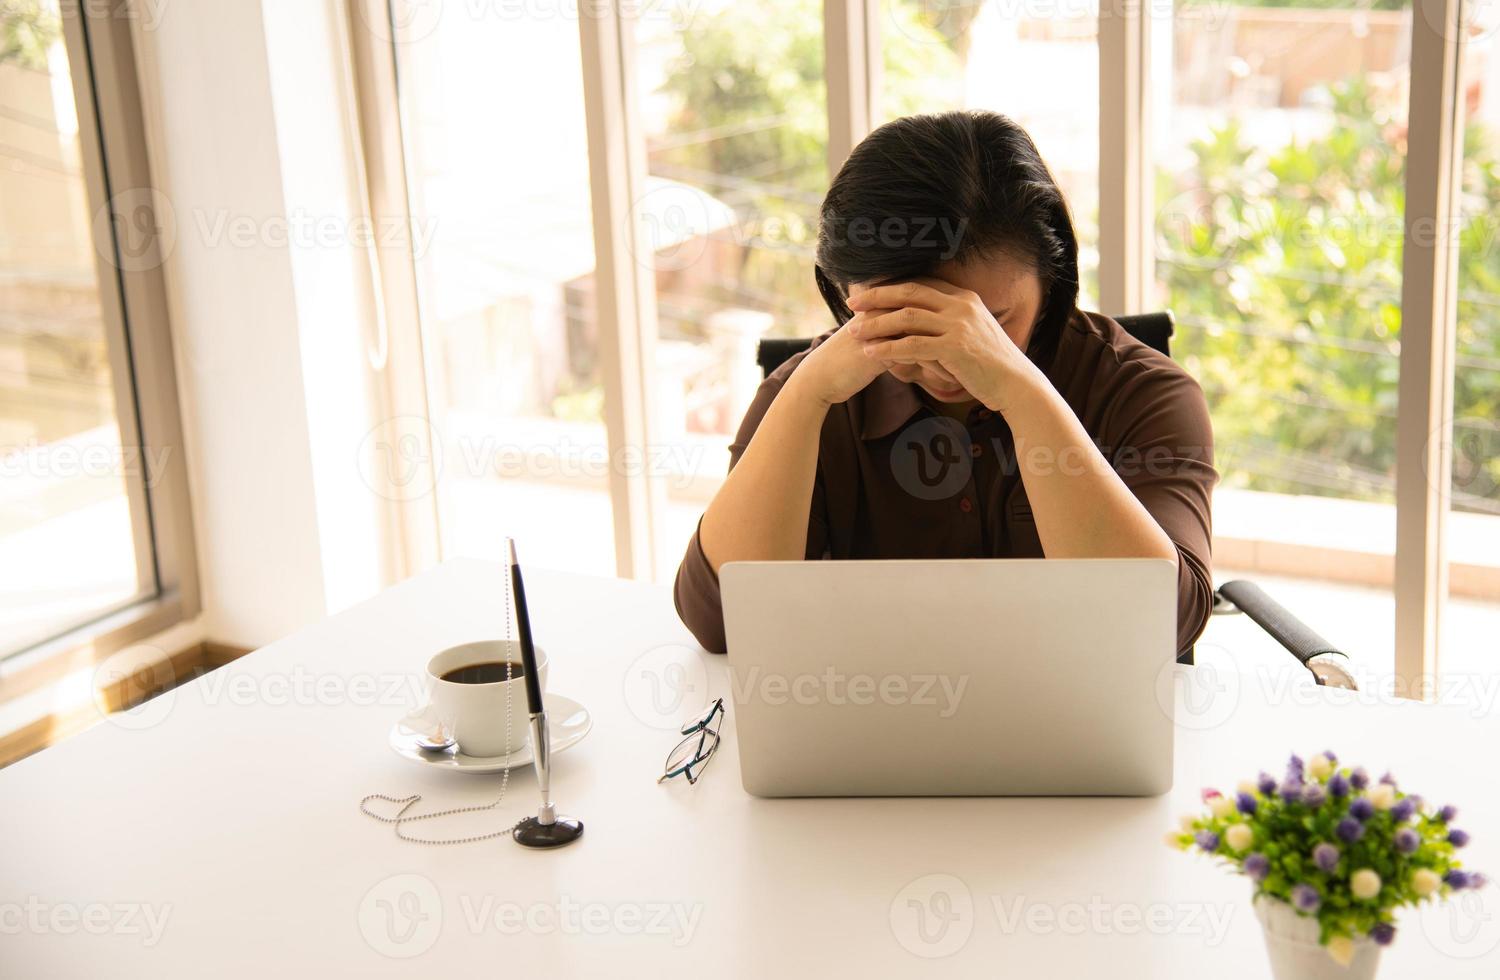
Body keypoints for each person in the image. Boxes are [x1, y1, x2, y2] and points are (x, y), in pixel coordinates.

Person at [674, 110, 1217, 659]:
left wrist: (1020, 392)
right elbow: (722, 624)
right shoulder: (809, 396)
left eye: (992, 323)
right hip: (867, 723)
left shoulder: (1143, 392)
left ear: (1051, 284)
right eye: (905, 322)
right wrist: (805, 397)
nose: (944, 364)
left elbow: (1158, 630)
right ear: (845, 295)